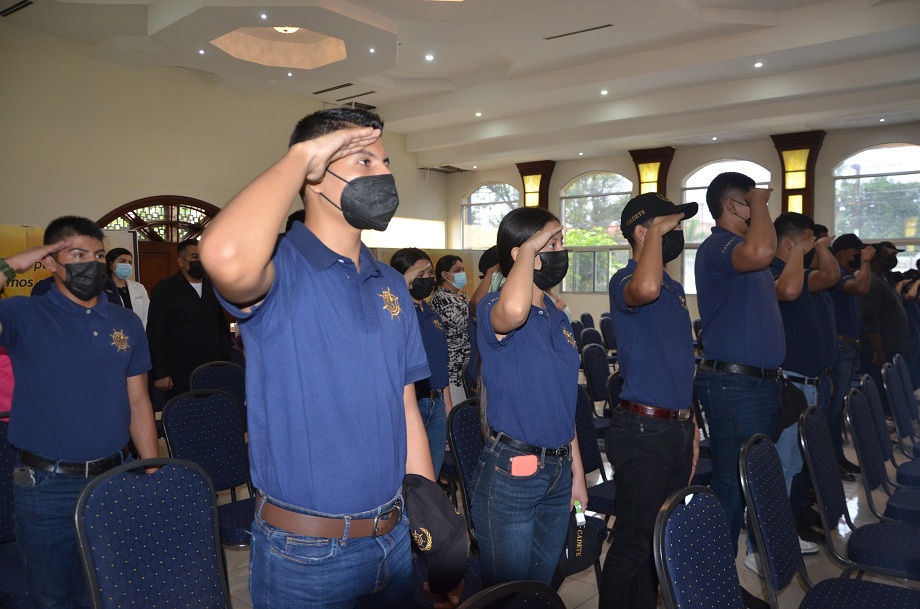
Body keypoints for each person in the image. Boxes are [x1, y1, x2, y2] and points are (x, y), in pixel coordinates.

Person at [199, 108, 459, 609]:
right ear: (315, 175)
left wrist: (432, 523)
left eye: (386, 163)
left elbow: (405, 408)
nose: (383, 174)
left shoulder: (390, 285)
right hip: (308, 552)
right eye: (364, 161)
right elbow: (225, 256)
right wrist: (300, 155)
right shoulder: (279, 265)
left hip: (393, 533)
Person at [0, 215, 158, 608]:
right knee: (53, 595)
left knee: (108, 585)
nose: (92, 262)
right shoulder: (25, 316)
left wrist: (153, 468)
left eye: (98, 254)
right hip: (46, 484)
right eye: (77, 254)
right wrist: (18, 262)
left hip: (113, 476)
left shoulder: (125, 322)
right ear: (51, 261)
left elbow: (138, 401)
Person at [472, 206, 588, 587]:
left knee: (541, 589)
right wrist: (528, 250)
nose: (559, 251)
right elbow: (516, 308)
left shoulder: (557, 318)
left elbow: (563, 402)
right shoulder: (495, 308)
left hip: (557, 470)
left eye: (560, 242)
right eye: (548, 243)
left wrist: (577, 474)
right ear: (519, 253)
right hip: (513, 473)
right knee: (508, 594)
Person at [598, 193, 700, 609]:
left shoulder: (673, 288)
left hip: (673, 427)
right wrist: (655, 235)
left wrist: (690, 425)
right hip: (643, 431)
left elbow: (678, 364)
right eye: (669, 227)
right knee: (634, 543)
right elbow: (647, 285)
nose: (678, 233)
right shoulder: (626, 280)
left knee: (661, 535)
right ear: (643, 231)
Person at [693, 172, 780, 609]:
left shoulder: (750, 259)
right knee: (730, 487)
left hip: (756, 384)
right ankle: (714, 590)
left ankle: (722, 583)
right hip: (734, 385)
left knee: (742, 487)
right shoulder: (720, 247)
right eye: (749, 203)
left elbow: (789, 283)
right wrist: (760, 202)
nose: (758, 209)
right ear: (733, 205)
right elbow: (763, 248)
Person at [746, 212, 837, 573]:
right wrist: (798, 252)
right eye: (805, 241)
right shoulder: (771, 274)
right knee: (779, 469)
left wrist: (820, 247)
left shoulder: (801, 270)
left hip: (809, 385)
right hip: (791, 384)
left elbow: (829, 276)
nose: (811, 248)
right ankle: (761, 546)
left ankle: (779, 536)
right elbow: (788, 290)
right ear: (789, 243)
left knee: (793, 467)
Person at [390, 247, 453, 477]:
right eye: (420, 274)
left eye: (430, 274)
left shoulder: (433, 315)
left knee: (430, 480)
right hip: (411, 405)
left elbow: (441, 367)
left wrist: (448, 413)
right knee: (408, 479)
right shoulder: (397, 313)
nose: (427, 279)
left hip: (436, 404)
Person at [146, 238, 232, 400]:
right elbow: (155, 333)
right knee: (185, 419)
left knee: (213, 415)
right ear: (181, 262)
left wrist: (226, 361)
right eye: (195, 257)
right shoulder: (165, 290)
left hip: (212, 367)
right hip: (179, 371)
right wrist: (160, 373)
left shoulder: (213, 288)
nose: (200, 262)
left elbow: (220, 327)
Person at [829, 234, 875, 478]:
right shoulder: (836, 273)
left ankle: (837, 457)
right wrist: (867, 263)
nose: (861, 257)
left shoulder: (844, 272)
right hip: (839, 349)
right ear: (846, 252)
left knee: (837, 408)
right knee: (833, 409)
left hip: (849, 348)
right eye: (858, 253)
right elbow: (862, 288)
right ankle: (831, 461)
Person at [859, 241, 909, 413]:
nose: (894, 259)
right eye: (890, 255)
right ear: (876, 258)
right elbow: (869, 316)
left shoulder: (884, 277)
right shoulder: (872, 279)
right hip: (879, 350)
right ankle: (880, 431)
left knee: (889, 392)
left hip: (890, 347)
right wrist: (878, 348)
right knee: (879, 393)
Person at [431, 255, 471, 407]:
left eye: (463, 269)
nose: (462, 273)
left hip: (464, 371)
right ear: (444, 275)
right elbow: (465, 323)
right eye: (457, 270)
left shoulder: (457, 297)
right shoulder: (443, 299)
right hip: (454, 371)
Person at [103, 247, 150, 327]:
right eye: (122, 261)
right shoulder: (103, 288)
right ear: (111, 264)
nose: (127, 265)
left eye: (130, 262)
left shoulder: (139, 287)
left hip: (137, 332)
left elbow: (147, 313)